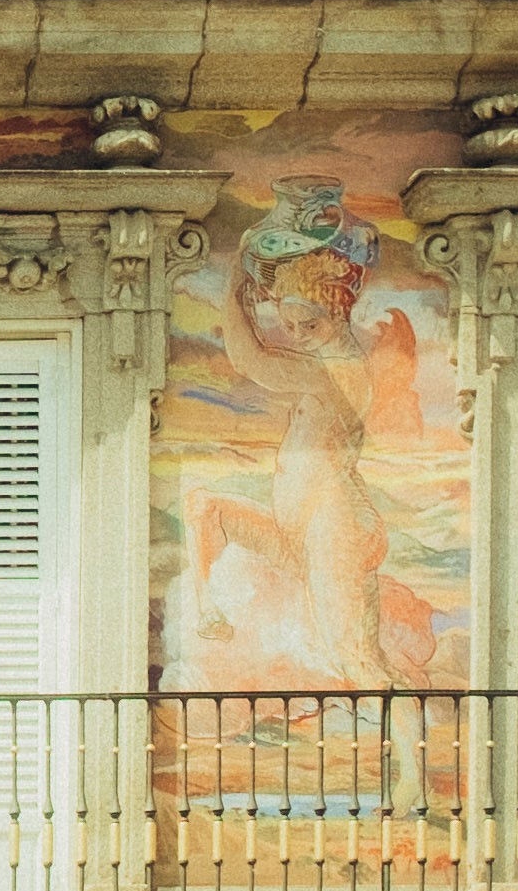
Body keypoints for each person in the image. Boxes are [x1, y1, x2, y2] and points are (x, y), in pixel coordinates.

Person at [187, 185, 438, 696]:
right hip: (300, 528)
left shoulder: (339, 371)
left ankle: (409, 746)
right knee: (202, 506)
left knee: (356, 661)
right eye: (289, 324)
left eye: (310, 323)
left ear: (339, 313)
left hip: (335, 525)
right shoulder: (321, 363)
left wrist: (236, 280)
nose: (298, 333)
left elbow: (250, 359)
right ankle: (208, 611)